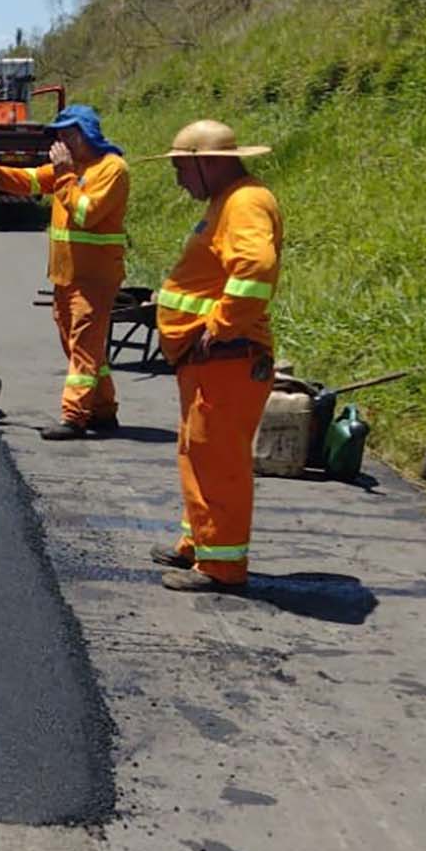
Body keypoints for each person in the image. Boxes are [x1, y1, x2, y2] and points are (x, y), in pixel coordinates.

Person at [150, 120, 282, 592]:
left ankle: (223, 567)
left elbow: (255, 269)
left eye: (182, 169)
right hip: (209, 362)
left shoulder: (245, 202)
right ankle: (200, 543)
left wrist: (220, 326)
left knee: (219, 460)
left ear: (207, 163)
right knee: (197, 454)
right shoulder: (225, 202)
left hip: (228, 357)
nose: (178, 179)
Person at [0, 105, 130, 440]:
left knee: (84, 347)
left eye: (69, 134)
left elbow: (87, 214)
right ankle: (103, 409)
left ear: (87, 134)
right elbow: (29, 181)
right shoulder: (65, 169)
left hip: (95, 278)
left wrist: (66, 175)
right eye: (59, 135)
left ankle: (74, 416)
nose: (61, 141)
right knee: (82, 349)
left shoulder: (112, 169)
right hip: (66, 276)